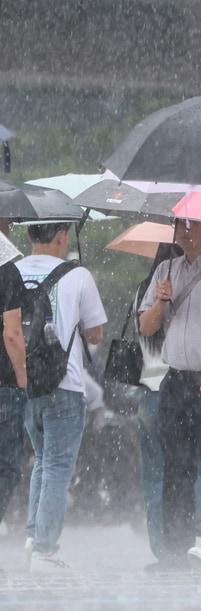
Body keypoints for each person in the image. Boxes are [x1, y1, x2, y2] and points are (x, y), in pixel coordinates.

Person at [137, 218, 201, 569]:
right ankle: (175, 551)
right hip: (176, 381)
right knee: (175, 465)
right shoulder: (166, 268)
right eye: (179, 222)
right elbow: (147, 327)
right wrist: (160, 302)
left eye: (189, 223)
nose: (181, 228)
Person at [14, 222, 107, 571]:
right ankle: (44, 549)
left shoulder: (10, 272)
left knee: (42, 460)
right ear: (63, 236)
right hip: (63, 383)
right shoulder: (78, 274)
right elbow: (96, 335)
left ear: (29, 236)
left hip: (24, 383)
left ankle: (32, 536)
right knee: (56, 465)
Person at [0, 225, 26, 535]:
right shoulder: (7, 269)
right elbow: (12, 332)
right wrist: (23, 377)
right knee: (6, 466)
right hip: (4, 384)